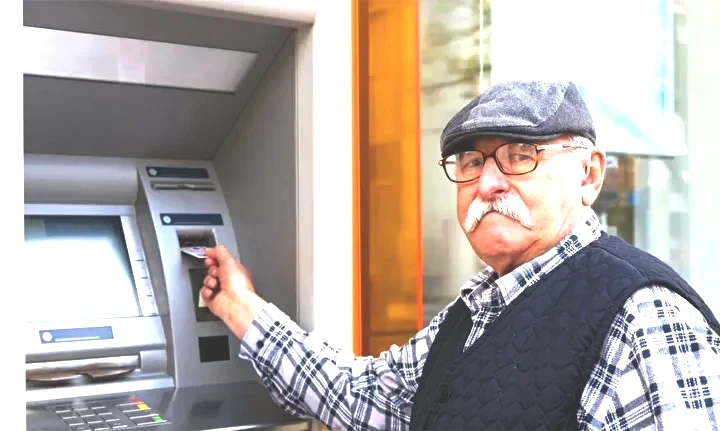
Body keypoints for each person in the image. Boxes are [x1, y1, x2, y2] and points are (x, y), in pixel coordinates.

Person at [200, 80, 720, 430]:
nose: (488, 183)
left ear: (589, 175)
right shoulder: (477, 310)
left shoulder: (645, 317)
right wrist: (239, 306)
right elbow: (368, 400)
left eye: (520, 155)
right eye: (471, 162)